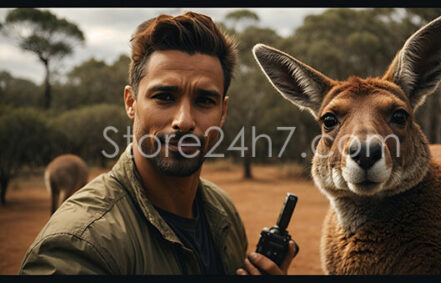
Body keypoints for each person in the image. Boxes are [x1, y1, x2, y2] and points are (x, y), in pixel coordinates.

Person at [18, 11, 296, 275]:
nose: (184, 121)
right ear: (130, 103)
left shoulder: (223, 213)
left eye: (204, 101)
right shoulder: (79, 244)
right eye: (164, 96)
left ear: (222, 112)